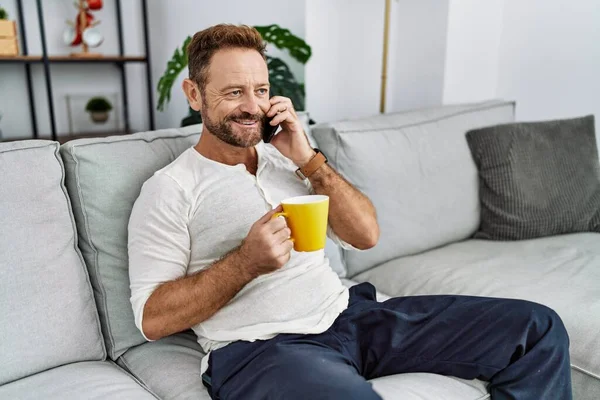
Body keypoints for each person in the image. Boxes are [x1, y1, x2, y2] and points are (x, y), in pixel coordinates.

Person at [128, 24, 572, 400]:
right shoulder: (171, 189)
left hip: (352, 316)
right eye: (233, 92)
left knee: (536, 328)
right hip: (262, 349)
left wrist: (308, 160)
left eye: (260, 90)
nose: (251, 106)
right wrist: (245, 263)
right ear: (194, 94)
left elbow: (366, 235)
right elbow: (152, 319)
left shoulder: (291, 159)